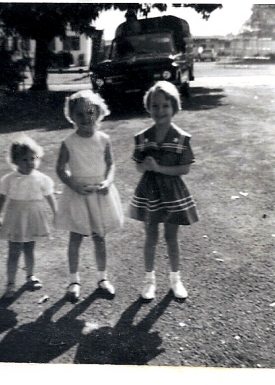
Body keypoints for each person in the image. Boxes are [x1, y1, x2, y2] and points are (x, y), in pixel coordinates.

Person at [129, 81, 198, 301]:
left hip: (173, 193)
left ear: (174, 107)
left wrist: (159, 168)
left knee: (171, 236)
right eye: (155, 106)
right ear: (148, 108)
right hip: (150, 193)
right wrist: (146, 166)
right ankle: (149, 280)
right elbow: (138, 166)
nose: (160, 111)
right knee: (150, 235)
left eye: (165, 106)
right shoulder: (143, 137)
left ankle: (175, 279)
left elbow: (185, 168)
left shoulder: (181, 138)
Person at [55, 90, 124, 302]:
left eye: (90, 113)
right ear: (71, 116)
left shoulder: (103, 139)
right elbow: (60, 168)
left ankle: (102, 278)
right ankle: (74, 281)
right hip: (78, 194)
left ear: (98, 113)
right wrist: (72, 183)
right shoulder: (68, 142)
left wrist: (108, 181)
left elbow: (111, 164)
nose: (86, 119)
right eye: (80, 114)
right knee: (75, 237)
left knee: (99, 237)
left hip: (99, 193)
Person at [0, 134, 57, 297]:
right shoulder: (9, 180)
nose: (30, 163)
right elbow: (2, 198)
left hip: (33, 216)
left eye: (32, 159)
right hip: (15, 217)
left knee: (29, 248)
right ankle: (10, 283)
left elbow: (50, 196)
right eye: (24, 159)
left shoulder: (42, 179)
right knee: (14, 251)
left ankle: (30, 276)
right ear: (15, 162)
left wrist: (57, 213)